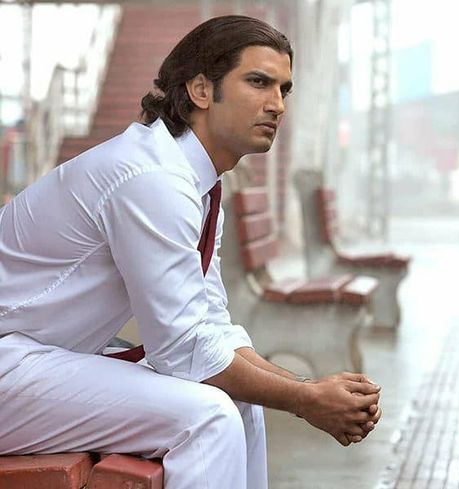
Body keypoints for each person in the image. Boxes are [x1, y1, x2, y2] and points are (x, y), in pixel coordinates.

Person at [0, 15, 381, 489]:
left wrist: (303, 391)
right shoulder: (150, 178)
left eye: (284, 89)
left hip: (38, 360)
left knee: (241, 400)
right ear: (201, 90)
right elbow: (181, 349)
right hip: (11, 364)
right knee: (206, 416)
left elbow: (209, 324)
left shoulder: (192, 181)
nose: (277, 105)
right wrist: (305, 399)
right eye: (258, 82)